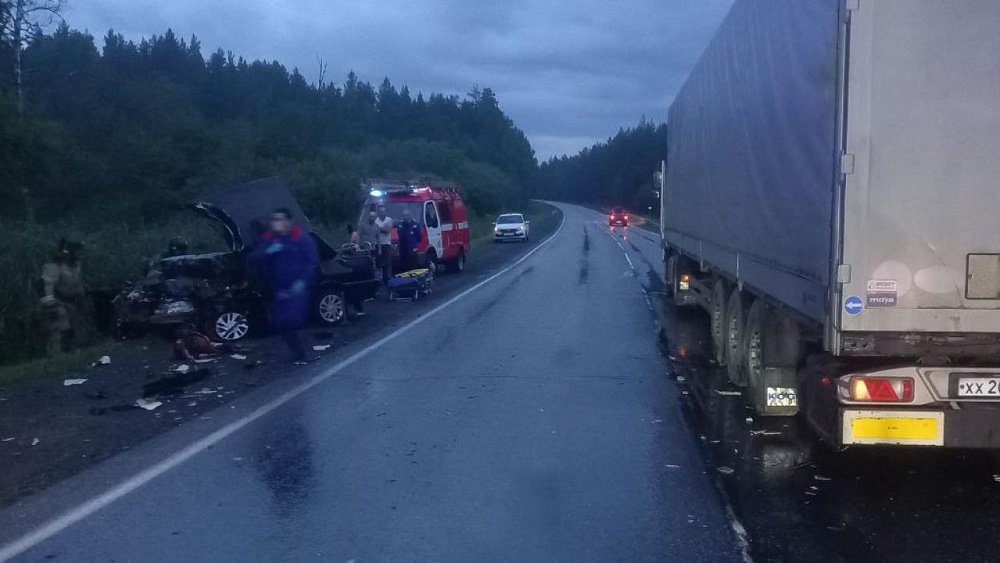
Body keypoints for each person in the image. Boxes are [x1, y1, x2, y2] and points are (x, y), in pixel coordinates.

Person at [252, 208, 318, 362]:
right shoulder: (271, 239)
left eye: (280, 219)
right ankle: (296, 349)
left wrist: (303, 280)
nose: (277, 223)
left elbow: (312, 261)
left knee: (292, 318)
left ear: (289, 221)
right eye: (274, 219)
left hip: (298, 287)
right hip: (280, 288)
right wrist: (267, 252)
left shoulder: (301, 238)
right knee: (281, 322)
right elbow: (257, 256)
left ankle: (300, 350)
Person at [39, 238, 87, 356]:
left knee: (73, 329)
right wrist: (51, 304)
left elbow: (77, 283)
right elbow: (48, 286)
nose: (80, 254)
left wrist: (81, 298)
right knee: (60, 329)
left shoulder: (76, 265)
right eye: (77, 251)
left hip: (71, 302)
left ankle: (72, 353)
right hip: (57, 302)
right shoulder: (54, 266)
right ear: (69, 252)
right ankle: (56, 355)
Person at [374, 205, 394, 284]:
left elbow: (387, 230)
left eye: (383, 211)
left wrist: (378, 228)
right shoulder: (376, 220)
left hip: (386, 244)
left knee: (388, 263)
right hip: (377, 244)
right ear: (378, 212)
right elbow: (374, 231)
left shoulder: (389, 220)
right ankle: (379, 280)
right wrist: (382, 228)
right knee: (378, 263)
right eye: (381, 212)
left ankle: (388, 279)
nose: (382, 213)